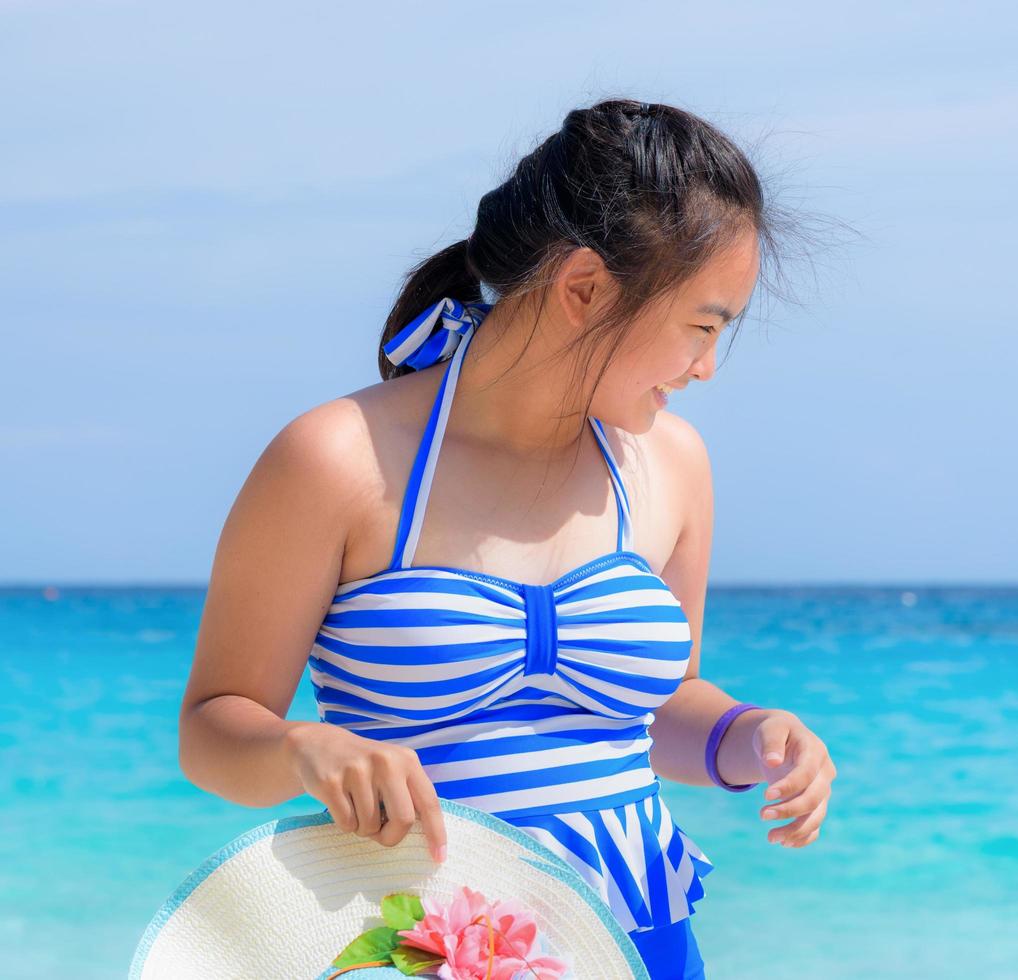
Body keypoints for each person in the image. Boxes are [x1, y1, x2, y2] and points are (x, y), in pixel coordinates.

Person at [176, 97, 839, 979]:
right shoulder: (338, 460)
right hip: (426, 944)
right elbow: (212, 728)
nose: (708, 365)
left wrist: (750, 736)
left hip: (637, 945)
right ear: (584, 289)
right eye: (703, 325)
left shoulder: (670, 466)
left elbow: (658, 710)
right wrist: (306, 748)